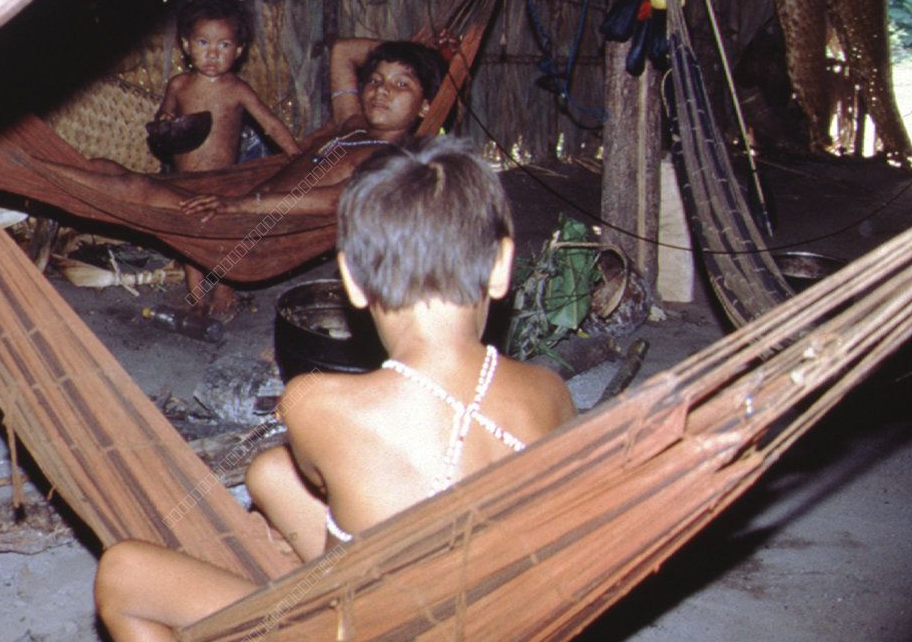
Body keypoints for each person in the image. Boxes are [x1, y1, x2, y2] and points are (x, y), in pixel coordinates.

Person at [92, 137, 578, 641]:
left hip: (373, 628)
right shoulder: (550, 392)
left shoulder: (314, 403)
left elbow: (357, 481)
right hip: (490, 618)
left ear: (351, 279)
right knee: (270, 473)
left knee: (122, 572)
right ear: (501, 266)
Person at [29, 38, 447, 316]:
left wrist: (240, 206)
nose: (381, 90)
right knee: (105, 168)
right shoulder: (353, 124)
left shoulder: (393, 159)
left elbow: (338, 202)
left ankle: (25, 169)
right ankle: (32, 166)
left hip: (253, 229)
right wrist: (418, 50)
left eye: (401, 84)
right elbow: (341, 51)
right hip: (240, 199)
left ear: (427, 107)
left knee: (133, 190)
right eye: (375, 80)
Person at [154, 0, 301, 320]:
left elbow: (270, 124)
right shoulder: (179, 85)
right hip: (183, 180)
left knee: (225, 237)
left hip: (225, 181)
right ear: (186, 44)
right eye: (203, 42)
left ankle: (224, 291)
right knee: (188, 238)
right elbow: (164, 115)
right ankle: (196, 296)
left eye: (223, 45)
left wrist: (296, 154)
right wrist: (164, 122)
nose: (212, 53)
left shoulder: (236, 89)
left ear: (238, 50)